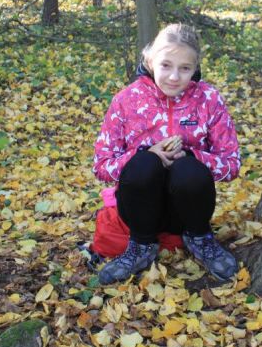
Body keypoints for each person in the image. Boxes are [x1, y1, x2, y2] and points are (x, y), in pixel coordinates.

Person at [93, 24, 241, 285]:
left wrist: (193, 156)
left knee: (188, 169)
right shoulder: (127, 100)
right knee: (144, 164)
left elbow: (231, 164)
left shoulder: (208, 99)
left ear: (195, 68)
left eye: (184, 68)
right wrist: (144, 153)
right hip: (138, 209)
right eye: (166, 65)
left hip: (187, 210)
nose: (174, 77)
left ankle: (200, 239)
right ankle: (140, 247)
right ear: (149, 61)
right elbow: (102, 166)